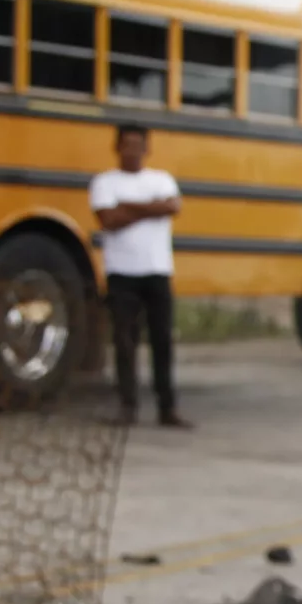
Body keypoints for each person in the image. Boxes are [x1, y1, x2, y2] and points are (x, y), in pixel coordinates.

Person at [89, 125, 190, 429]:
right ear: (117, 148)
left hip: (157, 270)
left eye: (138, 145)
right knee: (124, 341)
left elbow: (173, 206)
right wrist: (152, 208)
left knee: (162, 341)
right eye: (127, 145)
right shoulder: (104, 182)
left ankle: (167, 407)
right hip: (122, 272)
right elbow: (109, 220)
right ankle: (128, 405)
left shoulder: (161, 178)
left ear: (147, 149)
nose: (132, 151)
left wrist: (128, 207)